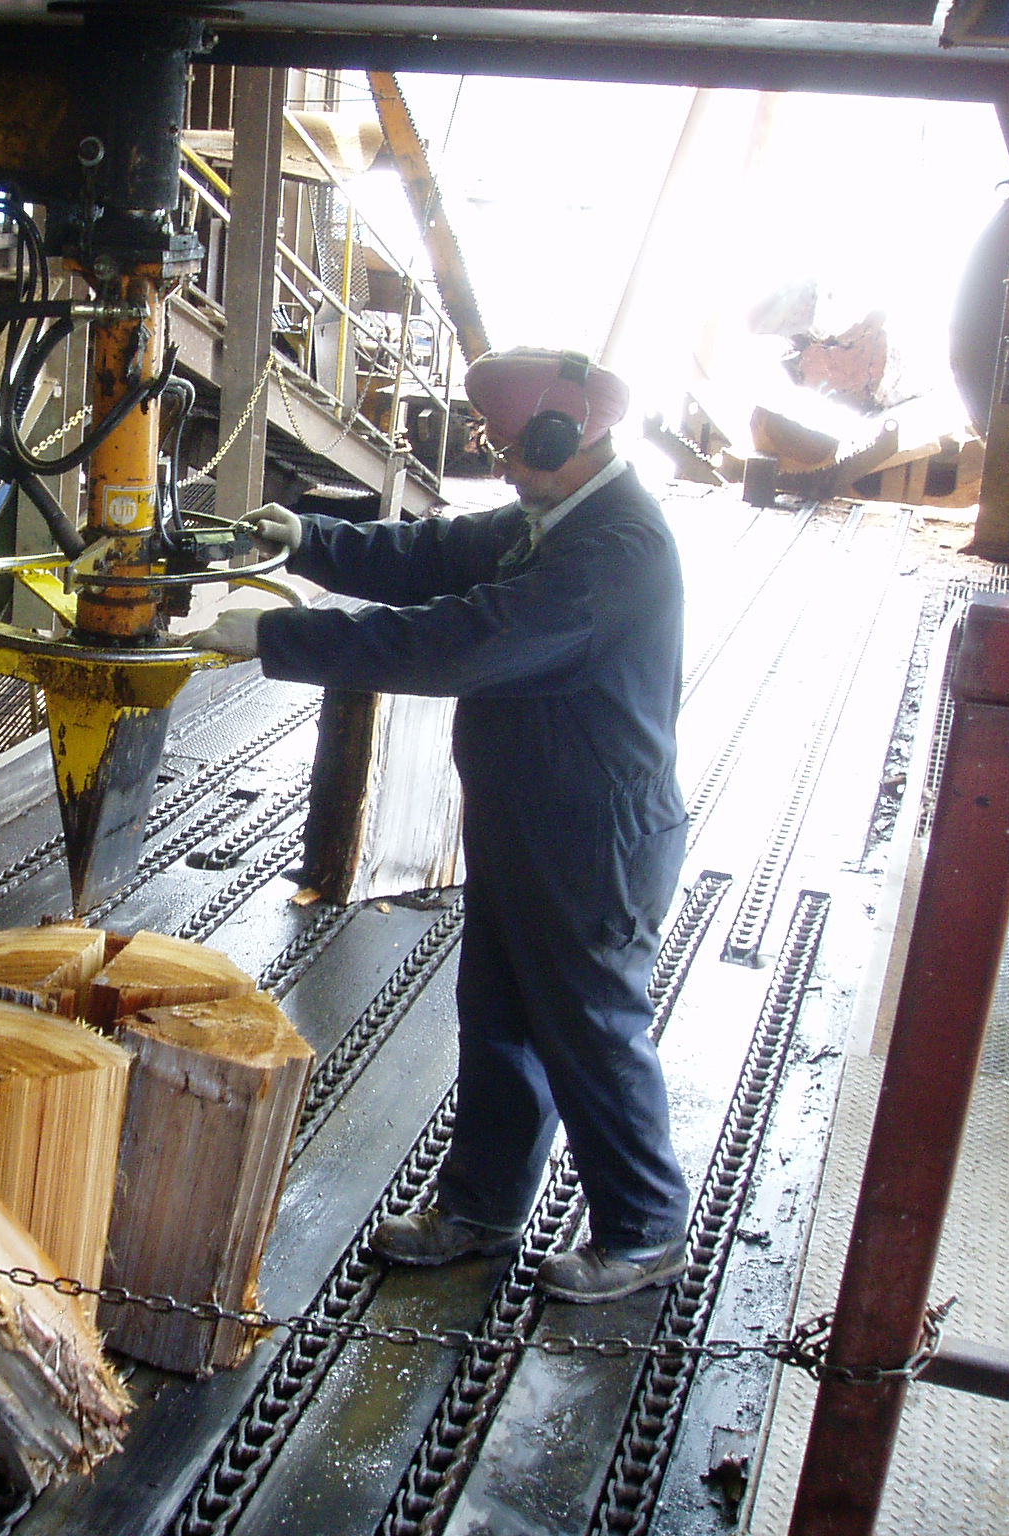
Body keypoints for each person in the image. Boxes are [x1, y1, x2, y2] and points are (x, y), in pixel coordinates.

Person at [188, 348, 692, 1303]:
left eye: (512, 448)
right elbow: (427, 558)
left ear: (560, 436)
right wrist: (303, 537)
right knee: (499, 1018)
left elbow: (458, 641)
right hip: (523, 819)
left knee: (591, 1028)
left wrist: (275, 635)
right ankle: (483, 1206)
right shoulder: (548, 522)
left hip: (594, 841)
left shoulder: (614, 555)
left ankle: (645, 1228)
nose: (503, 465)